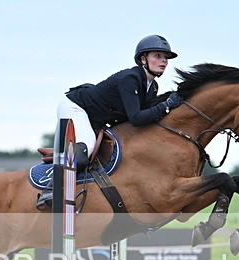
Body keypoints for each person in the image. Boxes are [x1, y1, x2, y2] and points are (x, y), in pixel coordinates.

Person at [36, 35, 184, 210]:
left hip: (96, 118)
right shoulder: (131, 78)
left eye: (166, 58)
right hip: (75, 107)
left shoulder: (152, 87)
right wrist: (166, 105)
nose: (164, 61)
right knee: (88, 146)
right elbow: (136, 118)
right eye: (157, 56)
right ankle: (50, 189)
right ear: (143, 59)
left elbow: (143, 118)